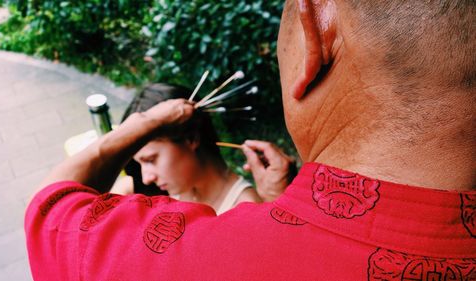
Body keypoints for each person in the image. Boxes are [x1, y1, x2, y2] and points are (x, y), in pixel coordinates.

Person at [25, 0, 475, 280]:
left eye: (151, 156)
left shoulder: (198, 256)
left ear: (318, 25)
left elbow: (51, 212)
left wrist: (144, 121)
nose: (145, 175)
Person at [111, 83, 286, 214]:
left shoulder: (245, 209)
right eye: (140, 163)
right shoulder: (142, 190)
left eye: (150, 160)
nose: (146, 178)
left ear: (191, 138)